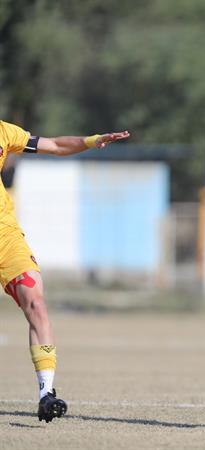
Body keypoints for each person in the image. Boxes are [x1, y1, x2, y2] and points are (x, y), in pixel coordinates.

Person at [0, 120, 129, 422]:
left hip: (5, 237)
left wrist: (92, 140)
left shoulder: (5, 132)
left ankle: (46, 394)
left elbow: (56, 145)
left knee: (36, 303)